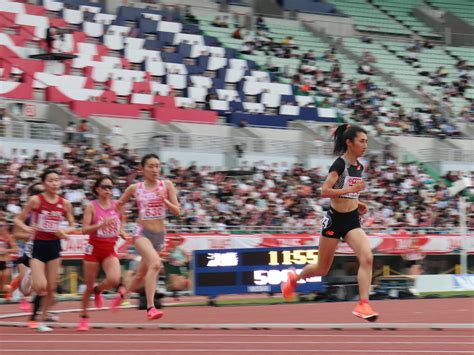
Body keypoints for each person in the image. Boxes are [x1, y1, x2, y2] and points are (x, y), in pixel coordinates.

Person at [281, 124, 379, 321]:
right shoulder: (339, 165)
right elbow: (325, 191)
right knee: (322, 268)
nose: (365, 145)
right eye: (362, 141)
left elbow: (347, 190)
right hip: (334, 220)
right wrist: (349, 193)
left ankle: (363, 304)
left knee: (367, 257)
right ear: (349, 143)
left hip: (351, 220)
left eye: (367, 141)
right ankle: (294, 279)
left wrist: (357, 202)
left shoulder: (359, 166)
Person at [112, 154, 180, 320]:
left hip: (159, 235)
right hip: (141, 232)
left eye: (157, 166)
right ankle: (151, 307)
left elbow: (177, 212)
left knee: (141, 275)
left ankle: (122, 294)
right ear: (142, 169)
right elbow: (118, 206)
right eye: (150, 166)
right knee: (156, 264)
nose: (155, 169)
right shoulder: (135, 188)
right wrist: (121, 226)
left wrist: (165, 201)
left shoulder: (167, 185)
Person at [14, 169, 76, 332]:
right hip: (38, 245)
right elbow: (17, 219)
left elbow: (73, 225)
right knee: (40, 287)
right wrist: (27, 227)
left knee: (51, 288)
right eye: (50, 180)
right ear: (44, 183)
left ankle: (42, 320)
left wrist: (64, 231)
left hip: (54, 246)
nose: (55, 183)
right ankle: (31, 275)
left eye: (57, 180)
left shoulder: (65, 203)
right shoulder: (36, 200)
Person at [78, 176, 129, 331]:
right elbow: (84, 230)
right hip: (93, 249)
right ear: (97, 189)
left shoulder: (117, 206)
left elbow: (122, 220)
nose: (108, 190)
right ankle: (84, 318)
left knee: (114, 280)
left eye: (110, 187)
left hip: (109, 249)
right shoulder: (91, 207)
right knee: (88, 286)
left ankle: (98, 290)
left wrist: (121, 231)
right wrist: (100, 224)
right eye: (105, 187)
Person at [164, 235, 190, 300]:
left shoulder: (181, 250)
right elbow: (166, 259)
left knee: (181, 283)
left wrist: (183, 261)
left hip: (181, 267)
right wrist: (168, 259)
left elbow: (188, 258)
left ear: (179, 242)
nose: (175, 241)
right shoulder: (169, 250)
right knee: (174, 284)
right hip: (172, 267)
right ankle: (174, 294)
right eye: (174, 240)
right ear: (171, 241)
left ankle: (176, 292)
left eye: (177, 240)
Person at [0, 221, 18, 298]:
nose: (1, 227)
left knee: (1, 287)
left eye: (3, 226)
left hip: (6, 263)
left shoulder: (9, 237)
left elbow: (16, 249)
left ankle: (8, 294)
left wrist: (5, 250)